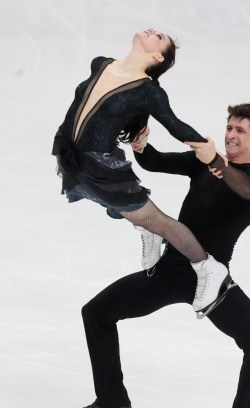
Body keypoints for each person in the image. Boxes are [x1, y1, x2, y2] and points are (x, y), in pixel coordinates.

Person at [80, 102, 250, 408]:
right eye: (229, 127)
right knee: (96, 312)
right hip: (172, 272)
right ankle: (111, 399)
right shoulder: (202, 165)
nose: (231, 135)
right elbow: (154, 161)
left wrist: (215, 161)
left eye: (240, 131)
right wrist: (140, 146)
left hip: (212, 279)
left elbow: (244, 190)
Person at [51, 27, 230, 316]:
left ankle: (207, 267)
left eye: (160, 38)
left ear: (158, 56)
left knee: (160, 222)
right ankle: (147, 230)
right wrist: (139, 123)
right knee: (117, 206)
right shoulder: (101, 63)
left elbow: (175, 124)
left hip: (101, 169)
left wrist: (207, 151)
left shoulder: (149, 92)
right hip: (74, 159)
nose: (153, 31)